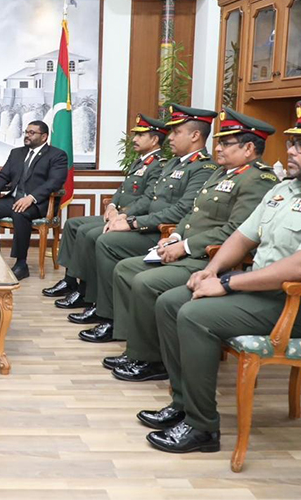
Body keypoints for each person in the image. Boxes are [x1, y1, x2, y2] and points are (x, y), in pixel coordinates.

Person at [141, 101, 301, 454]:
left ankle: (202, 429)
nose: (290, 151)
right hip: (265, 293)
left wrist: (228, 283)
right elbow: (243, 236)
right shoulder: (284, 189)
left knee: (195, 315)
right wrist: (210, 269)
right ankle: (184, 404)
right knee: (171, 302)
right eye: (292, 142)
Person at [102, 108, 278, 381]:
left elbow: (235, 231)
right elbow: (192, 214)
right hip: (188, 248)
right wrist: (173, 237)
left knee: (146, 282)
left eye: (226, 143)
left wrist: (184, 247)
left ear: (249, 149)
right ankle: (137, 349)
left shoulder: (258, 180)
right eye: (219, 142)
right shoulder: (222, 174)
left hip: (211, 259)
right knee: (127, 269)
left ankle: (152, 360)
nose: (218, 148)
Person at [69, 104, 218, 342]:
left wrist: (134, 223)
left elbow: (182, 210)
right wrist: (125, 217)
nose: (169, 137)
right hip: (153, 227)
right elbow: (150, 198)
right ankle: (101, 305)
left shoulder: (204, 168)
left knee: (106, 242)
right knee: (101, 235)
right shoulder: (174, 163)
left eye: (176, 132)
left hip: (164, 233)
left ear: (195, 135)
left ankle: (110, 316)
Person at [44, 113, 167, 305]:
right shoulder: (142, 161)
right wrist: (111, 205)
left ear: (154, 139)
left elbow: (147, 199)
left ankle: (85, 290)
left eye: (140, 135)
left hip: (133, 219)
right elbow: (122, 188)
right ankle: (69, 281)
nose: (134, 139)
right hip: (118, 214)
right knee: (72, 224)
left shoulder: (159, 165)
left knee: (86, 231)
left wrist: (122, 214)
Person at [0, 120, 69, 280]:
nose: (27, 136)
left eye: (32, 133)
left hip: (39, 204)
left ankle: (21, 264)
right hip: (14, 199)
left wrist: (32, 198)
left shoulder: (57, 155)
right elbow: (3, 175)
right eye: (26, 132)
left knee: (19, 212)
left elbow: (54, 182)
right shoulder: (16, 153)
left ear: (44, 136)